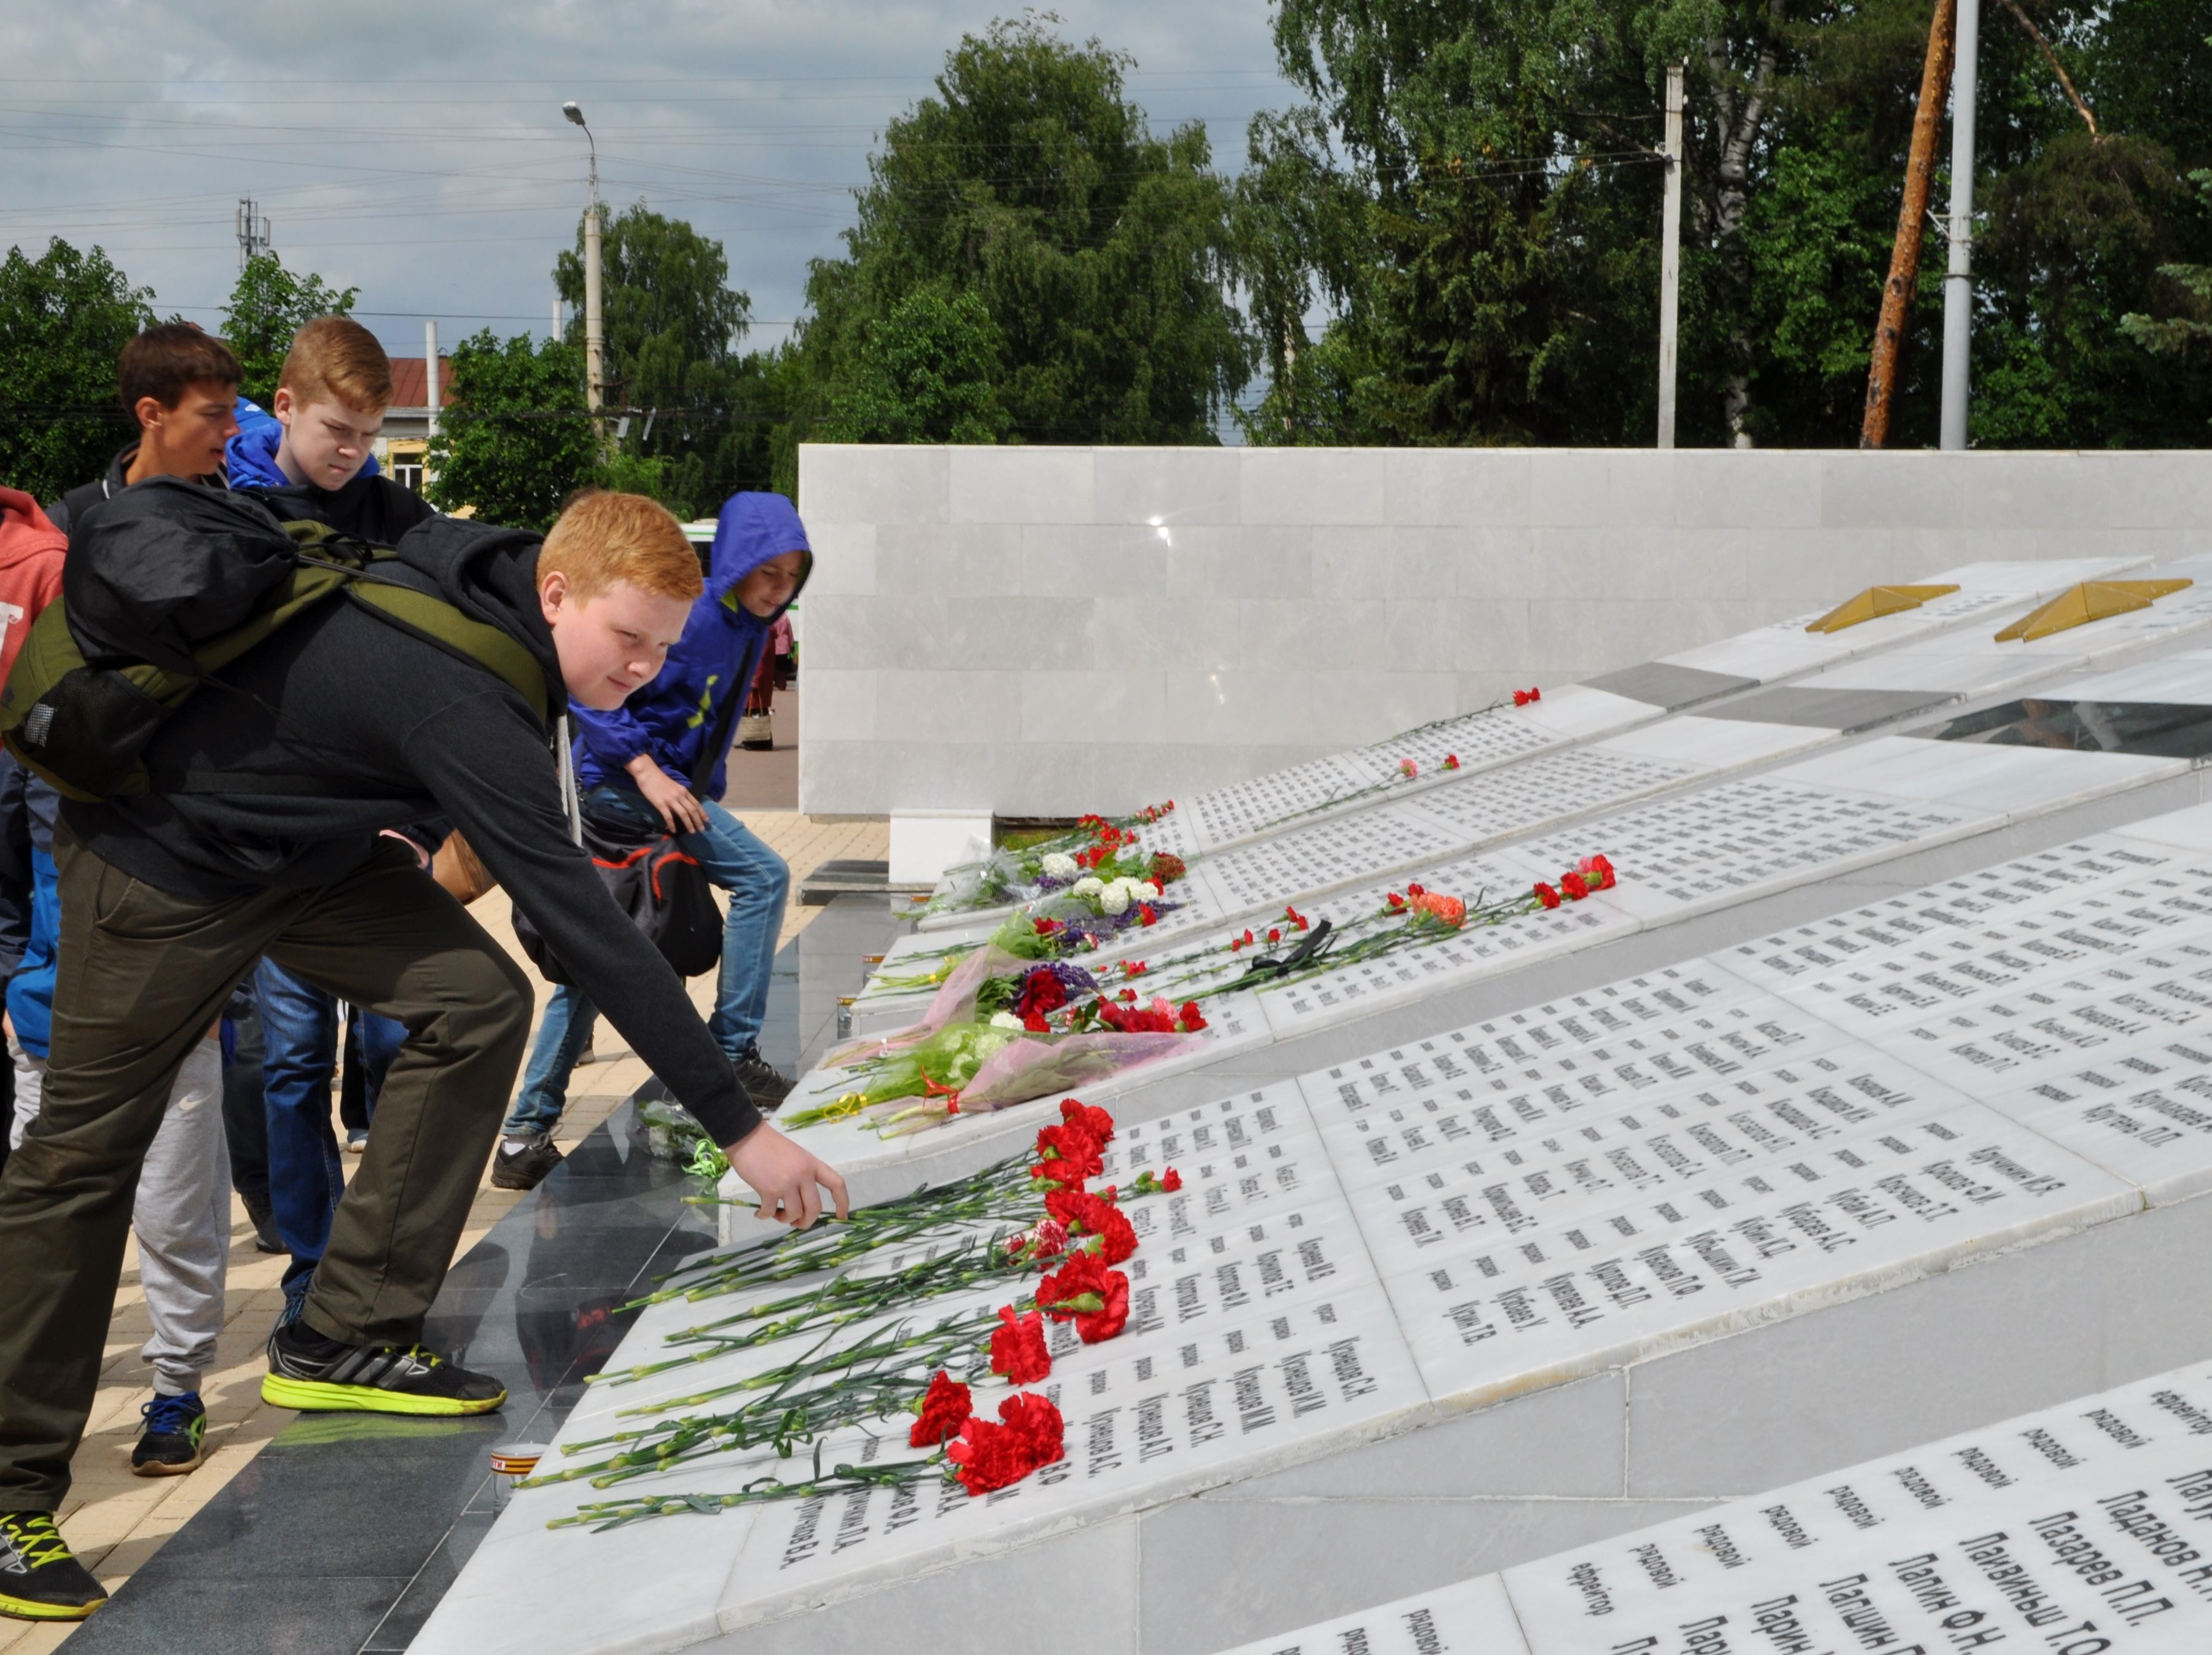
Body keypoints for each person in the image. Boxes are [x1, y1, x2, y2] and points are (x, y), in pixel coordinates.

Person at [0, 485, 847, 1624]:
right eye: (627, 637)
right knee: (85, 1154)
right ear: (557, 593)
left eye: (662, 644)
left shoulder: (508, 621)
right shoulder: (469, 692)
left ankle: (343, 1333)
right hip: (170, 857)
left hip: (300, 859)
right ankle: (8, 1490)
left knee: (474, 999)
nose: (644, 668)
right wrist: (740, 1130)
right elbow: (585, 924)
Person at [494, 492, 808, 1191]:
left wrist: (701, 781)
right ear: (736, 563)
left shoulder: (746, 625)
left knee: (606, 953)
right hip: (620, 789)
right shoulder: (695, 620)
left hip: (662, 792)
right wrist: (647, 772)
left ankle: (525, 1133)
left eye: (791, 575)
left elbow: (710, 718)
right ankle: (728, 1054)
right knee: (747, 882)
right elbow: (581, 694)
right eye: (767, 571)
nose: (777, 587)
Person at [224, 318, 421, 1319]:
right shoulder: (230, 516)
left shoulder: (385, 518)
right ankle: (311, 1270)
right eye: (338, 431)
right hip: (274, 853)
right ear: (288, 407)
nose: (353, 453)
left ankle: (374, 1251)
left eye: (369, 436)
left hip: (375, 836)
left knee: (391, 1047)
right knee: (293, 1061)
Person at [44, 323, 238, 537]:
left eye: (232, 411)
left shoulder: (245, 514)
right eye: (213, 414)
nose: (234, 430)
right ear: (152, 415)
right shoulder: (68, 527)